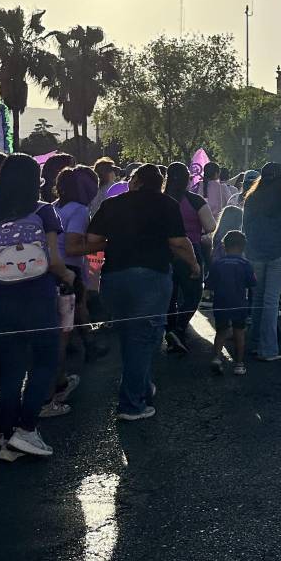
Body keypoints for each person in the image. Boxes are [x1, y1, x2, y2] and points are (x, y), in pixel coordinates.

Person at [85, 164, 199, 421]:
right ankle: (131, 404)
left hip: (113, 277)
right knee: (144, 337)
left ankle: (143, 387)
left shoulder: (112, 204)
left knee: (130, 336)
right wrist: (194, 264)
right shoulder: (167, 204)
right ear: (159, 183)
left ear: (134, 180)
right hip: (151, 277)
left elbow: (92, 242)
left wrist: (99, 267)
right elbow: (179, 243)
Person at [0, 154, 76, 461]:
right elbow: (53, 260)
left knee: (10, 369)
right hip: (37, 299)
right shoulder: (44, 211)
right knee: (44, 364)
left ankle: (3, 432)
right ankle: (26, 429)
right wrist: (69, 275)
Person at [48, 165, 101, 417]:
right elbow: (72, 247)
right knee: (63, 332)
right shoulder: (79, 210)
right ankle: (57, 385)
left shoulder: (55, 206)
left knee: (77, 313)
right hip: (68, 271)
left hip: (51, 271)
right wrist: (104, 244)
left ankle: (90, 345)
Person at [241, 162, 281, 362]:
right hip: (280, 253)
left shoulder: (251, 199)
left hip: (255, 252)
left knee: (259, 298)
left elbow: (246, 228)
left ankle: (255, 343)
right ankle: (268, 349)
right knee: (271, 301)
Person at [162, 163, 216, 354]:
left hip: (163, 252)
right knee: (193, 294)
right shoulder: (195, 200)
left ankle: (170, 330)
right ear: (187, 179)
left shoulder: (160, 200)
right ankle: (180, 327)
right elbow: (210, 226)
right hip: (189, 250)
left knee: (169, 295)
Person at [205, 230, 255, 376]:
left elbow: (209, 285)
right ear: (243, 247)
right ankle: (239, 364)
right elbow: (252, 283)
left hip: (220, 303)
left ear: (224, 246)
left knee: (221, 331)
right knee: (239, 333)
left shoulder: (217, 264)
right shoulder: (245, 264)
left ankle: (216, 357)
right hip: (239, 303)